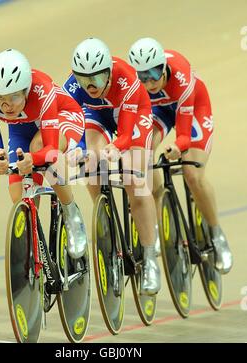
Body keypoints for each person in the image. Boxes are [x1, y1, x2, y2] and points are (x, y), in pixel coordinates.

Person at [63, 38, 161, 295]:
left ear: (108, 71)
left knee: (134, 179)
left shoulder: (126, 79)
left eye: (96, 77)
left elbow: (126, 135)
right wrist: (77, 149)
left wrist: (116, 147)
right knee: (90, 166)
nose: (90, 85)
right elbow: (73, 126)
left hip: (133, 113)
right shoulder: (72, 88)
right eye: (84, 79)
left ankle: (150, 258)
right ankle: (105, 222)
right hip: (98, 114)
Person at [128, 38, 233, 274]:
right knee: (142, 152)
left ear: (164, 67)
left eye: (154, 73)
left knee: (191, 173)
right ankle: (152, 216)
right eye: (143, 77)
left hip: (193, 108)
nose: (150, 82)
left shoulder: (181, 77)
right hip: (159, 111)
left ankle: (216, 234)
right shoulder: (138, 87)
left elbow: (184, 134)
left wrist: (177, 146)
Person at [0, 48, 87, 259]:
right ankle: (36, 251)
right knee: (20, 197)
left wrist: (33, 160)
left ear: (26, 90)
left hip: (63, 116)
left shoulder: (42, 90)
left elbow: (51, 150)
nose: (6, 105)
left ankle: (72, 214)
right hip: (21, 130)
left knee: (40, 150)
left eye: (14, 97)